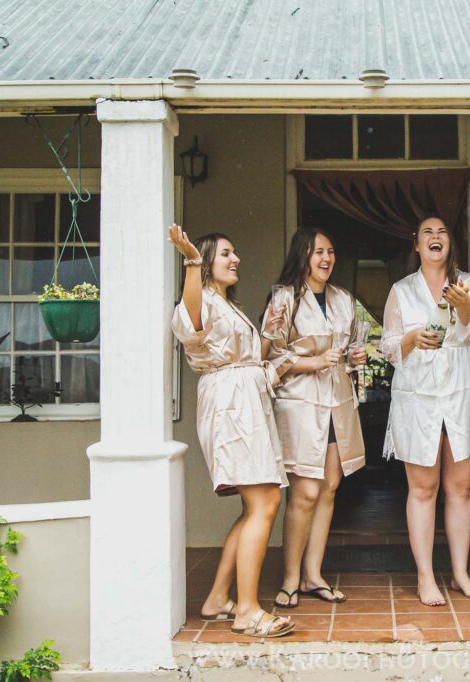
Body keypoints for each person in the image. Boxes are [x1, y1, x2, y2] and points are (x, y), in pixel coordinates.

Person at [168, 224, 294, 638]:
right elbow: (189, 321)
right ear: (206, 262)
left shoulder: (227, 304)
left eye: (234, 252)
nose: (235, 258)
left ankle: (219, 598)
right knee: (265, 501)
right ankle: (248, 611)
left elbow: (247, 358)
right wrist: (191, 261)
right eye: (225, 253)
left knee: (256, 504)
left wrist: (269, 331)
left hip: (246, 402)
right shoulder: (200, 299)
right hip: (230, 407)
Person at [380, 215, 470, 606]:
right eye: (427, 232)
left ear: (449, 243)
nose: (435, 236)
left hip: (460, 394)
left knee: (461, 489)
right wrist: (411, 338)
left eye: (442, 231)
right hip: (418, 398)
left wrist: (464, 305)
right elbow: (388, 348)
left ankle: (460, 574)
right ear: (416, 244)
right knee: (423, 489)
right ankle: (425, 577)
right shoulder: (401, 290)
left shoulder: (468, 282)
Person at [262, 228, 367, 608]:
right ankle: (290, 578)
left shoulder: (343, 299)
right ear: (302, 255)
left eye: (331, 251)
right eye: (318, 251)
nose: (326, 258)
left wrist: (354, 357)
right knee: (305, 492)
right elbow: (269, 357)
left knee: (329, 487)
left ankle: (312, 575)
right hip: (301, 403)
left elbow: (348, 347)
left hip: (338, 401)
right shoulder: (284, 298)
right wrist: (313, 361)